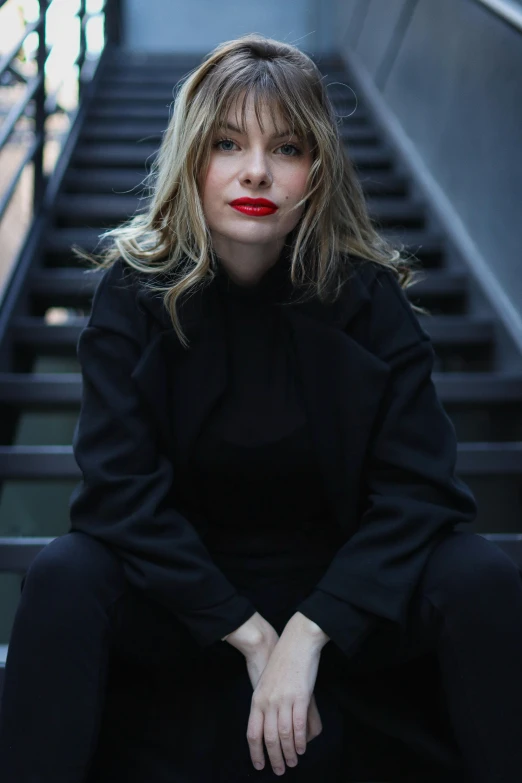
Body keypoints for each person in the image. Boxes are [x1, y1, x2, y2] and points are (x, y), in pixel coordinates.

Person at [1, 32, 522, 783]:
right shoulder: (133, 295)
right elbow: (118, 496)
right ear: (192, 158)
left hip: (344, 610)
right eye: (226, 143)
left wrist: (309, 633)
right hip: (184, 610)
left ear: (316, 170)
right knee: (64, 572)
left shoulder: (368, 297)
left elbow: (423, 492)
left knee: (479, 575)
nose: (255, 171)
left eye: (285, 147)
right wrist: (249, 635)